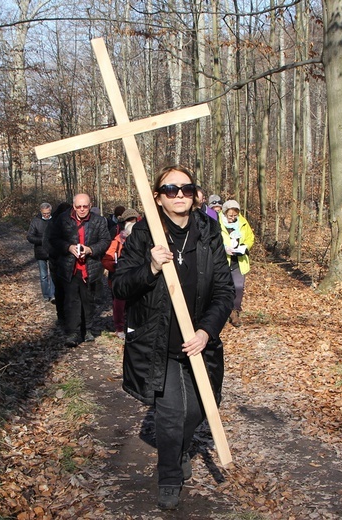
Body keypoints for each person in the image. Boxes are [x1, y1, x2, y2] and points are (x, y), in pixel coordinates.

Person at [112, 165, 234, 510]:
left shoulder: (208, 231)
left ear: (195, 194)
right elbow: (120, 286)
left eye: (185, 187)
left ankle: (180, 449)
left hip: (198, 340)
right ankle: (168, 474)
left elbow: (224, 291)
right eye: (170, 189)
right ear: (157, 197)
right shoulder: (142, 235)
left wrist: (206, 331)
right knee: (169, 413)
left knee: (196, 410)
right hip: (157, 343)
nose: (178, 193)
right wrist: (148, 268)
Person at [44, 194, 111, 346]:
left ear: (90, 205)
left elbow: (106, 241)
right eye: (78, 206)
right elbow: (53, 239)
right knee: (71, 300)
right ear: (73, 206)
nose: (82, 209)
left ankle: (87, 329)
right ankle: (73, 332)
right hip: (69, 267)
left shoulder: (99, 221)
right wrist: (68, 247)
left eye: (85, 206)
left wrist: (90, 249)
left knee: (88, 300)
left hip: (90, 267)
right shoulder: (62, 219)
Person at [102, 208, 140, 339]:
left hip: (138, 276)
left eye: (134, 219)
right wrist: (116, 267)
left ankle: (134, 327)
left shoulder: (143, 238)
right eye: (129, 220)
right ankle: (119, 328)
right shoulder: (117, 240)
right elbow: (106, 258)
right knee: (119, 303)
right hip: (120, 277)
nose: (132, 222)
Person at [219, 200, 255, 327]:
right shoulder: (217, 222)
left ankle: (234, 312)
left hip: (239, 260)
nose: (233, 218)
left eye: (235, 215)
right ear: (225, 213)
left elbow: (250, 238)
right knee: (222, 287)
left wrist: (245, 247)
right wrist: (223, 247)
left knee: (238, 287)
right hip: (222, 260)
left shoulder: (243, 222)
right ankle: (220, 313)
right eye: (230, 215)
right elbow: (213, 238)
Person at [45, 202, 72, 326]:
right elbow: (47, 243)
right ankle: (62, 316)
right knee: (62, 291)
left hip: (67, 262)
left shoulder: (70, 224)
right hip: (57, 262)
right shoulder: (53, 225)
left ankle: (65, 316)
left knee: (65, 291)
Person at [27, 203, 55, 302]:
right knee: (43, 275)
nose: (46, 215)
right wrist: (43, 240)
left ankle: (52, 295)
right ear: (40, 212)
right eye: (44, 214)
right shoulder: (35, 221)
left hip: (53, 251)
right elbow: (30, 237)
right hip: (40, 252)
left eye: (48, 213)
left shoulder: (55, 220)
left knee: (53, 274)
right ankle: (46, 294)